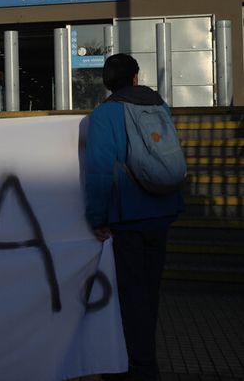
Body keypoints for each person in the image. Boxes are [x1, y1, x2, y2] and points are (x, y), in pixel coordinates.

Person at [84, 54, 184, 381]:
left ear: (106, 82)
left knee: (129, 297)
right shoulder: (160, 107)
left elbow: (99, 172)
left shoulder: (105, 115)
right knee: (149, 294)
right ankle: (142, 361)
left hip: (128, 218)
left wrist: (97, 218)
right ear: (136, 78)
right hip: (162, 211)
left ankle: (136, 367)